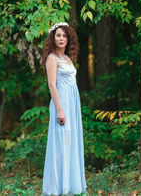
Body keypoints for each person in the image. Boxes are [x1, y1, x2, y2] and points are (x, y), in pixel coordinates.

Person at [41, 22, 87, 195]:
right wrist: (60, 110)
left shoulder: (67, 58)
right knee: (61, 143)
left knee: (71, 142)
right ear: (53, 38)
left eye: (64, 36)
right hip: (62, 103)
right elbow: (52, 85)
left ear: (69, 39)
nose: (61, 39)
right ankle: (58, 187)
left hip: (72, 102)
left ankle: (71, 185)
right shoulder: (52, 58)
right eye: (58, 35)